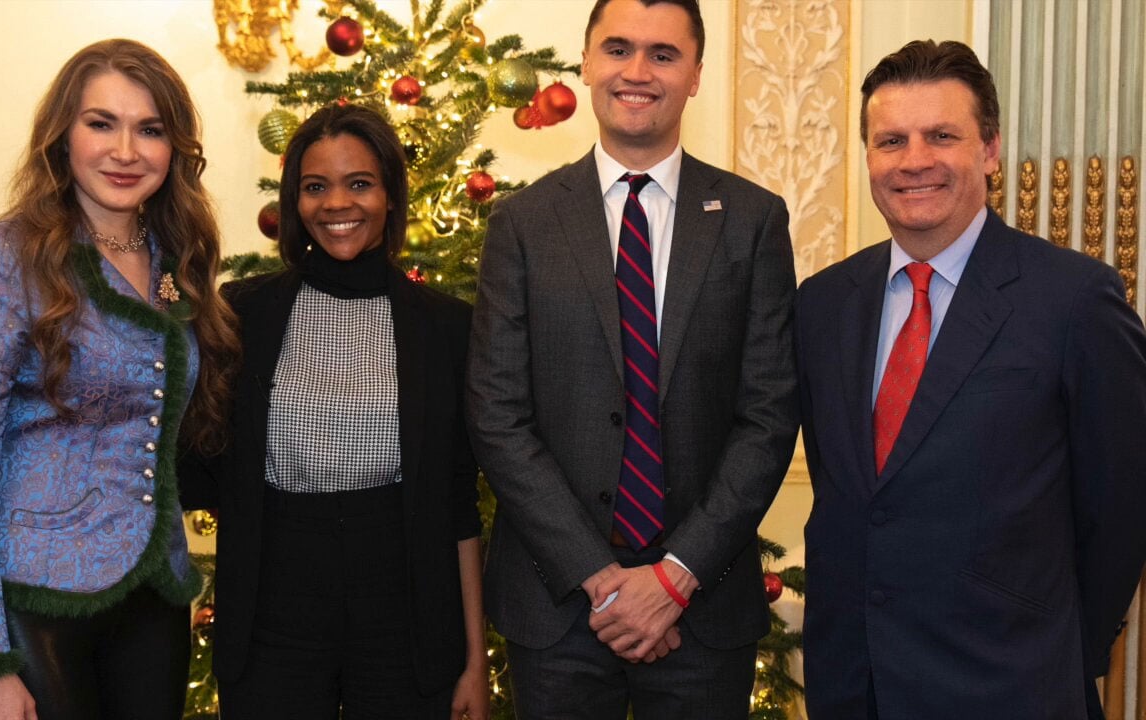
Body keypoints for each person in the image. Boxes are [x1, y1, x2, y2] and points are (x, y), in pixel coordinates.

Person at [465, 0, 799, 716]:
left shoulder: (752, 219)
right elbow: (496, 413)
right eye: (618, 49)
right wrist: (601, 579)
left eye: (663, 54)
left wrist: (675, 577)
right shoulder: (522, 223)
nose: (637, 72)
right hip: (558, 609)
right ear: (586, 63)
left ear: (696, 75)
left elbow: (768, 416)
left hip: (703, 614)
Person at [795, 39, 1146, 719]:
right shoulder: (823, 303)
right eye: (891, 140)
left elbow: (1122, 508)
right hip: (853, 686)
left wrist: (1064, 653)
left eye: (942, 136)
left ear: (989, 150)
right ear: (868, 157)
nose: (915, 160)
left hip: (1010, 686)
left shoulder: (1076, 301)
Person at [0, 39, 239, 720]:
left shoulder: (172, 259)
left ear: (174, 149)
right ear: (61, 137)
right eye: (102, 123)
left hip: (152, 599)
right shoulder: (2, 256)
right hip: (36, 604)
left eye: (150, 129)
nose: (125, 150)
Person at [178, 103, 489, 719]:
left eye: (360, 184)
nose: (336, 204)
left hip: (405, 616)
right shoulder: (243, 314)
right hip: (273, 612)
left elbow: (459, 506)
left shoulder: (447, 328)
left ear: (391, 196)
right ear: (295, 201)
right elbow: (194, 460)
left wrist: (474, 660)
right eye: (315, 187)